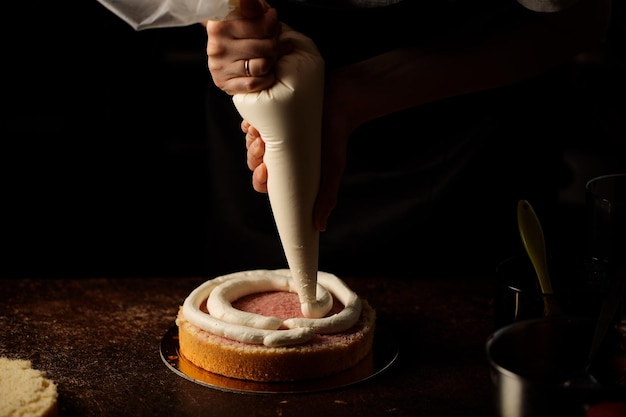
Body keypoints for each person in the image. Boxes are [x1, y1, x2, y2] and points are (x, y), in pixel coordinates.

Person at [202, 0, 612, 278]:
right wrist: (225, 22)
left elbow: (582, 21)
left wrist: (353, 96)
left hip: (467, 132)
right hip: (266, 103)